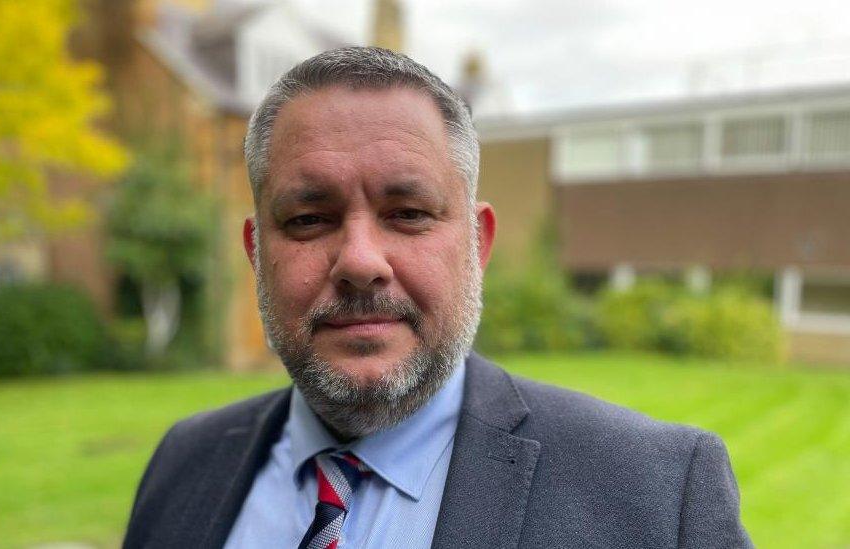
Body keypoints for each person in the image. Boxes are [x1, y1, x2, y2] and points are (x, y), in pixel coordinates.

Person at [123, 46, 752, 549]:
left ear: (477, 244)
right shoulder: (185, 462)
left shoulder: (656, 496)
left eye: (409, 213)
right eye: (310, 219)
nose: (361, 263)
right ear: (256, 252)